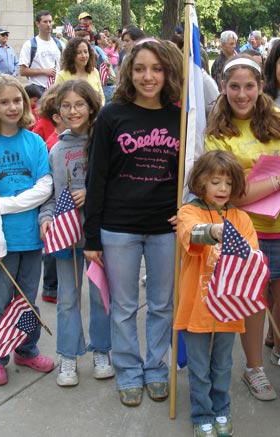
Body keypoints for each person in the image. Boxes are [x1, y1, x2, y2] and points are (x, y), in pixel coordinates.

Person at [83, 38, 183, 407]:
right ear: (129, 71)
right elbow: (96, 179)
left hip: (165, 227)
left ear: (168, 71)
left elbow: (189, 174)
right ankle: (128, 369)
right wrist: (91, 236)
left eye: (156, 68)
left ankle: (155, 366)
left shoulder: (179, 116)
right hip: (118, 226)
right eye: (140, 68)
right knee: (123, 306)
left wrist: (187, 212)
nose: (148, 76)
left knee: (162, 303)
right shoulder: (112, 115)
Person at [205, 55, 280, 401]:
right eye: (234, 87)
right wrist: (277, 179)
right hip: (245, 228)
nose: (242, 94)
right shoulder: (217, 132)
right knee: (254, 299)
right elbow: (229, 191)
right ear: (223, 88)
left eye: (249, 86)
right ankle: (254, 368)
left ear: (261, 87)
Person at [0, 74, 54, 386]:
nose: (12, 107)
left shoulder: (33, 141)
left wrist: (7, 203)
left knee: (28, 299)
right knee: (2, 299)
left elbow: (44, 186)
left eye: (16, 100)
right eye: (3, 101)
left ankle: (26, 349)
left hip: (31, 237)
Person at [175, 150, 260, 437]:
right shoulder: (188, 212)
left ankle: (222, 409)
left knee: (223, 364)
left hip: (229, 308)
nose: (222, 188)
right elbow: (191, 234)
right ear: (200, 183)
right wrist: (214, 230)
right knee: (199, 367)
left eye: (227, 182)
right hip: (195, 305)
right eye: (215, 181)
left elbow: (251, 257)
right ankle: (202, 414)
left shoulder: (243, 218)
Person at [39, 79, 114, 386]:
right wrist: (45, 217)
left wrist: (92, 194)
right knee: (68, 298)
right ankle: (68, 356)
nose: (73, 111)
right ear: (57, 111)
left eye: (79, 104)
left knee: (100, 296)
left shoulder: (104, 140)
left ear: (92, 106)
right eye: (66, 106)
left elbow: (118, 184)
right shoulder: (56, 149)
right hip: (65, 235)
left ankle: (102, 349)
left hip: (98, 235)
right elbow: (50, 192)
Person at [19, 10, 62, 93]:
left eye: (50, 21)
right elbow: (22, 71)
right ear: (37, 24)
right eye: (45, 22)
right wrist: (44, 71)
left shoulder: (60, 44)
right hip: (38, 89)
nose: (48, 25)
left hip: (57, 88)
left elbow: (64, 66)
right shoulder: (30, 45)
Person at [56, 37, 105, 105]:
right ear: (71, 55)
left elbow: (101, 97)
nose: (84, 56)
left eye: (85, 51)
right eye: (79, 52)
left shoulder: (94, 72)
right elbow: (58, 100)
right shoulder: (62, 76)